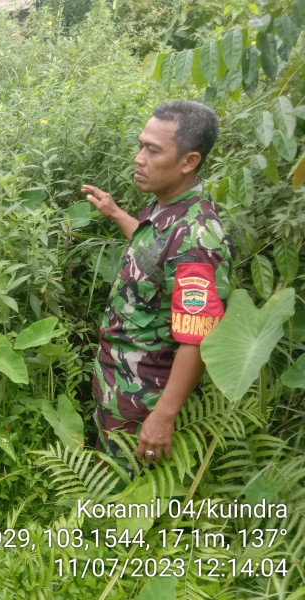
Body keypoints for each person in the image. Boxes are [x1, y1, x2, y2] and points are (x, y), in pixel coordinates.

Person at [82, 100, 233, 469]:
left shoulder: (198, 238)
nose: (138, 158)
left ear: (188, 161)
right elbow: (157, 256)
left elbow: (197, 338)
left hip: (145, 401)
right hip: (120, 383)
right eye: (140, 146)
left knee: (134, 502)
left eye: (153, 150)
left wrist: (163, 417)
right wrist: (117, 213)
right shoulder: (168, 210)